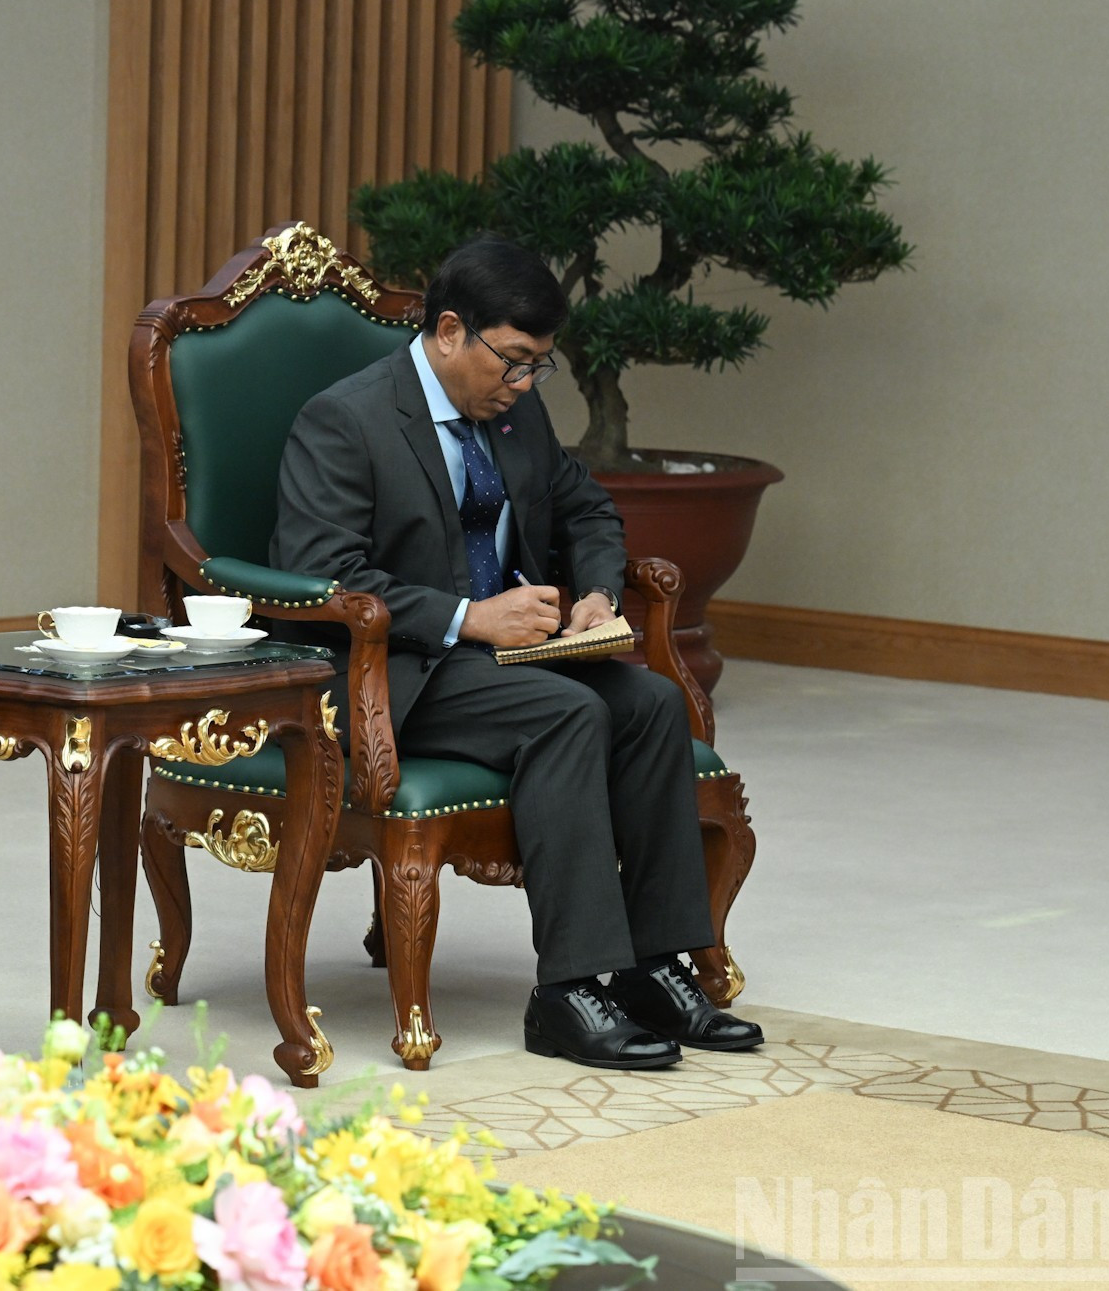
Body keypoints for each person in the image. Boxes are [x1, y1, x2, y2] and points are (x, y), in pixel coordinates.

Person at [271, 235, 760, 1070]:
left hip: (507, 659)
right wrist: (471, 616)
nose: (526, 383)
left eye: (540, 366)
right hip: (398, 670)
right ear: (451, 331)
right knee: (566, 713)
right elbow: (323, 574)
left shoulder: (515, 410)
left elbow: (587, 511)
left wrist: (600, 592)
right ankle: (570, 991)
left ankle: (656, 964)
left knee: (647, 705)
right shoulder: (346, 419)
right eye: (514, 361)